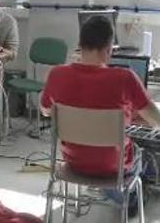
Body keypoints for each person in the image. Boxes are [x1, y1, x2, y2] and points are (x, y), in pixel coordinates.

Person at [40, 16, 160, 211]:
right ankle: (133, 199)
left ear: (80, 44)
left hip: (74, 165)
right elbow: (156, 121)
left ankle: (119, 195)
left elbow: (46, 111)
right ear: (109, 48)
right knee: (142, 154)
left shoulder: (56, 74)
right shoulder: (125, 77)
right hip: (114, 169)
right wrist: (131, 115)